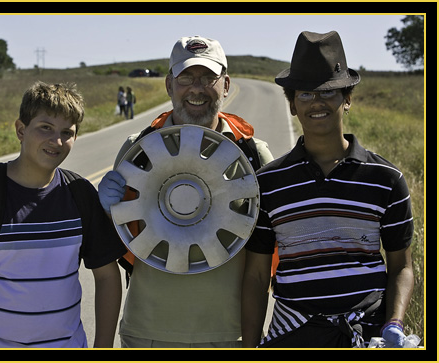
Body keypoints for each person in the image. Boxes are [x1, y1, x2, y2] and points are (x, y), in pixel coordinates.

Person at [241, 31, 414, 348]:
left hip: (368, 335)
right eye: (304, 94)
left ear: (347, 99)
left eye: (328, 93)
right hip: (292, 337)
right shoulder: (267, 183)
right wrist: (251, 347)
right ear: (292, 104)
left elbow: (401, 265)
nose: (316, 102)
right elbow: (255, 276)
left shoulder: (386, 178)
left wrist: (394, 323)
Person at [98, 35, 274, 348]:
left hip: (228, 335)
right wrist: (105, 212)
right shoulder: (137, 150)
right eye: (186, 78)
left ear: (226, 85)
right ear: (169, 85)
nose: (197, 88)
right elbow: (116, 246)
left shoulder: (253, 155)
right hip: (148, 332)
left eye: (209, 77)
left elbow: (272, 254)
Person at [0, 81, 127, 348]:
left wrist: (102, 347)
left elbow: (106, 275)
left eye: (66, 132)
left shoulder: (80, 194)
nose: (56, 141)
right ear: (21, 130)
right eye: (45, 128)